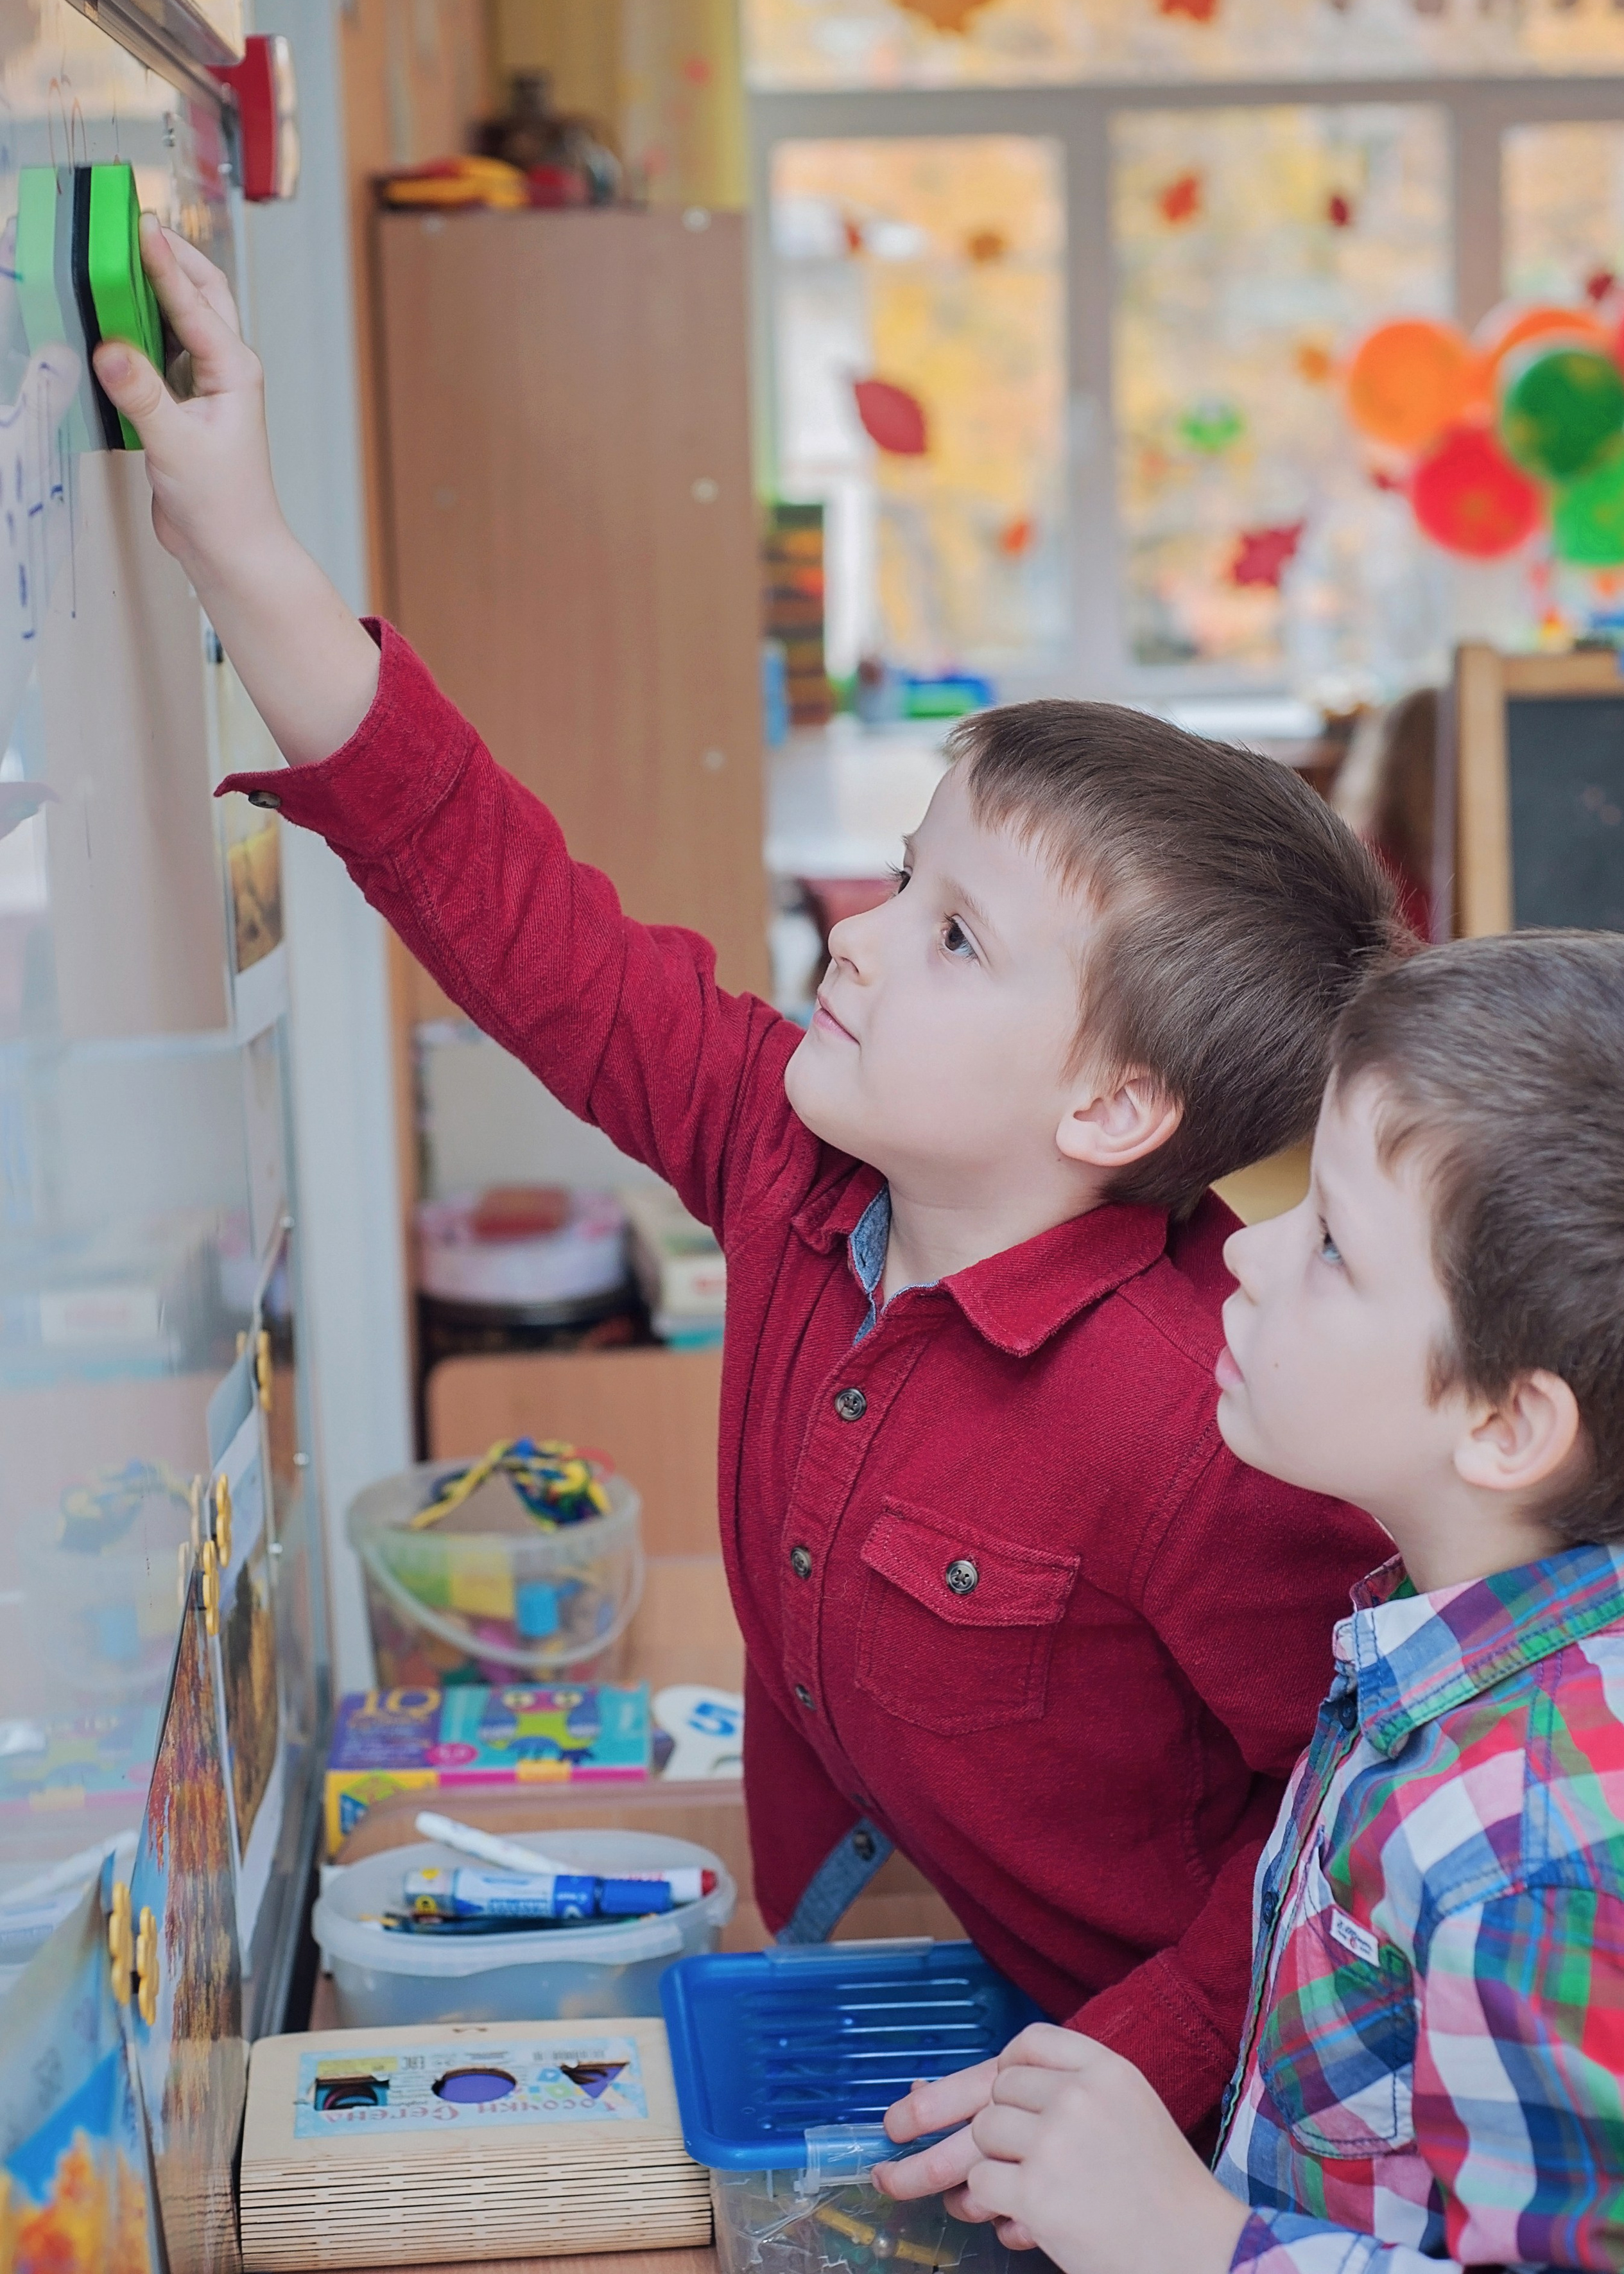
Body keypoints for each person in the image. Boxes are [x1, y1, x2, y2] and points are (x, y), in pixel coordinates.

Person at [93, 220, 1399, 2135]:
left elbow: (1339, 1828)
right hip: (884, 1979)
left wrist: (1117, 2088)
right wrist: (241, 548)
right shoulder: (792, 1152)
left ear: (1118, 1108)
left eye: (954, 938)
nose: (857, 938)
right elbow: (506, 900)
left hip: (1162, 2110)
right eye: (901, 876)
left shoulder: (1213, 1412)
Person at [879, 931, 1624, 2271]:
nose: (1245, 1253)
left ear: (1507, 1422)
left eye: (1334, 1243)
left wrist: (1190, 2240)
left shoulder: (1542, 1851)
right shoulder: (1442, 1641)